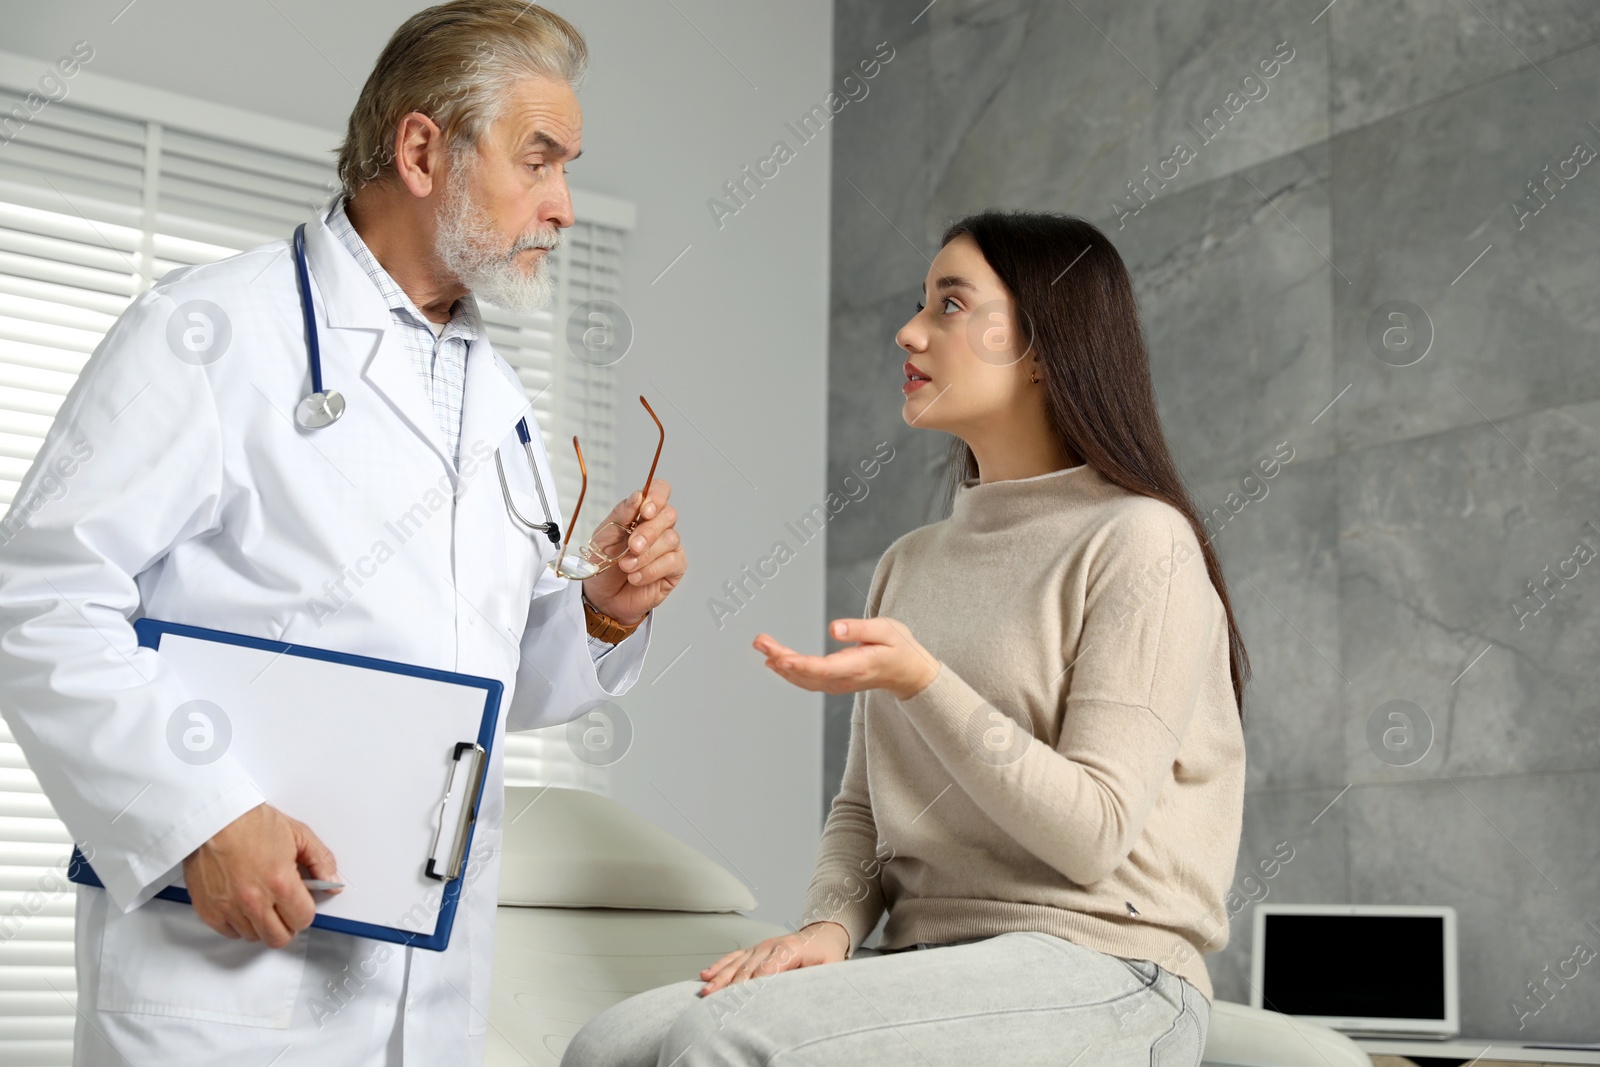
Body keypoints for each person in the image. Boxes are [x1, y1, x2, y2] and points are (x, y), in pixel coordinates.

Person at [0, 3, 685, 1065]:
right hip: (226, 980)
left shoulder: (494, 394)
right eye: (539, 161)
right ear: (421, 150)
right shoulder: (211, 332)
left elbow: (478, 679)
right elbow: (41, 597)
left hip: (428, 990)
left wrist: (598, 610)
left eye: (568, 168)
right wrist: (199, 813)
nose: (562, 206)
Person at [560, 211, 1248, 1067]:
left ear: (1042, 345)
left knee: (725, 1036)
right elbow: (865, 807)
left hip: (1111, 968)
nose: (910, 330)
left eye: (950, 305)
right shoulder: (910, 564)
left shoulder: (1141, 543)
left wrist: (927, 682)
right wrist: (830, 923)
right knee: (607, 1045)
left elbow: (1095, 833)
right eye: (921, 302)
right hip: (935, 960)